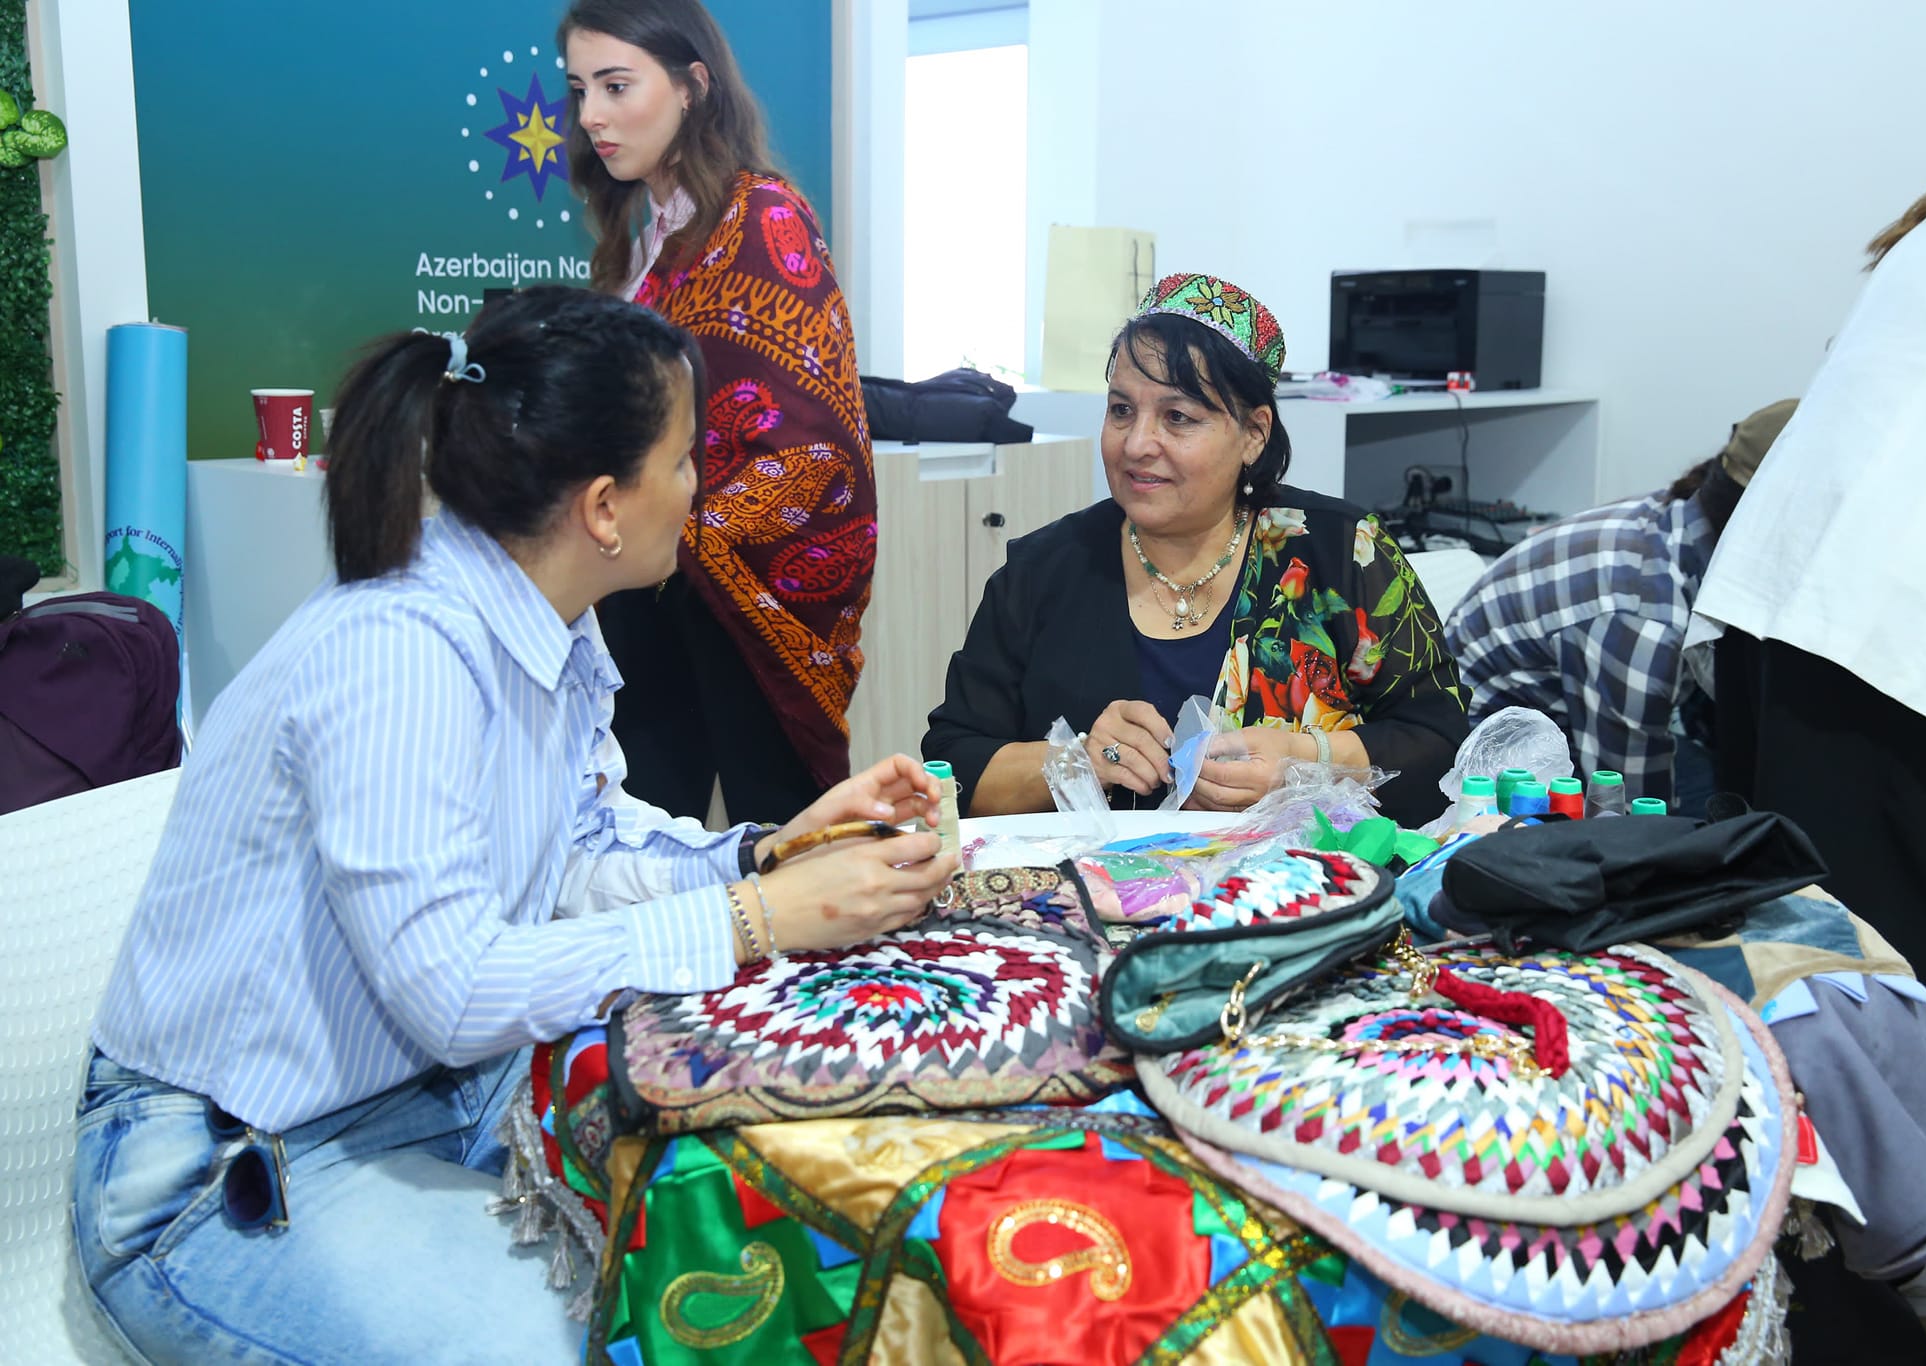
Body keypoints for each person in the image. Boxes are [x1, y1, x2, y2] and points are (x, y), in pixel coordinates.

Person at [71, 288, 956, 1364]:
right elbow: (453, 991)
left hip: (425, 1093)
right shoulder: (402, 650)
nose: (700, 486)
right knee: (630, 1332)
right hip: (229, 1169)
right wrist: (753, 915)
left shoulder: (545, 623)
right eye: (685, 459)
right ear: (604, 507)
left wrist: (768, 850)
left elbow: (579, 846)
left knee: (767, 1202)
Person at [1690, 141, 1926, 1036]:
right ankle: (1856, 1126)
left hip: (1788, 586)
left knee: (1783, 934)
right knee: (1874, 963)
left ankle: (1774, 1121)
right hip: (1885, 615)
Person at [922, 273, 1467, 828]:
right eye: (1121, 410)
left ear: (1254, 434)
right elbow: (953, 767)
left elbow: (1441, 742)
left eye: (1177, 417)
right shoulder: (1042, 570)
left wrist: (1307, 763)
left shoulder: (1342, 551)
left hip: (1301, 876)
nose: (1137, 444)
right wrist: (1077, 761)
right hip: (1090, 879)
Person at [562, 0, 875, 825]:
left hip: (740, 589)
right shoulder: (650, 236)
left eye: (616, 86)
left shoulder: (762, 215)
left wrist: (694, 530)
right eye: (580, 89)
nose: (591, 114)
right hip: (645, 576)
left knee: (780, 834)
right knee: (639, 826)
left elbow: (812, 432)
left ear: (692, 86)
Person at [1444, 400, 1797, 810]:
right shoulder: (1643, 616)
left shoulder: (1680, 521)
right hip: (1491, 767)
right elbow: (1631, 812)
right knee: (1741, 811)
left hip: (1568, 718)